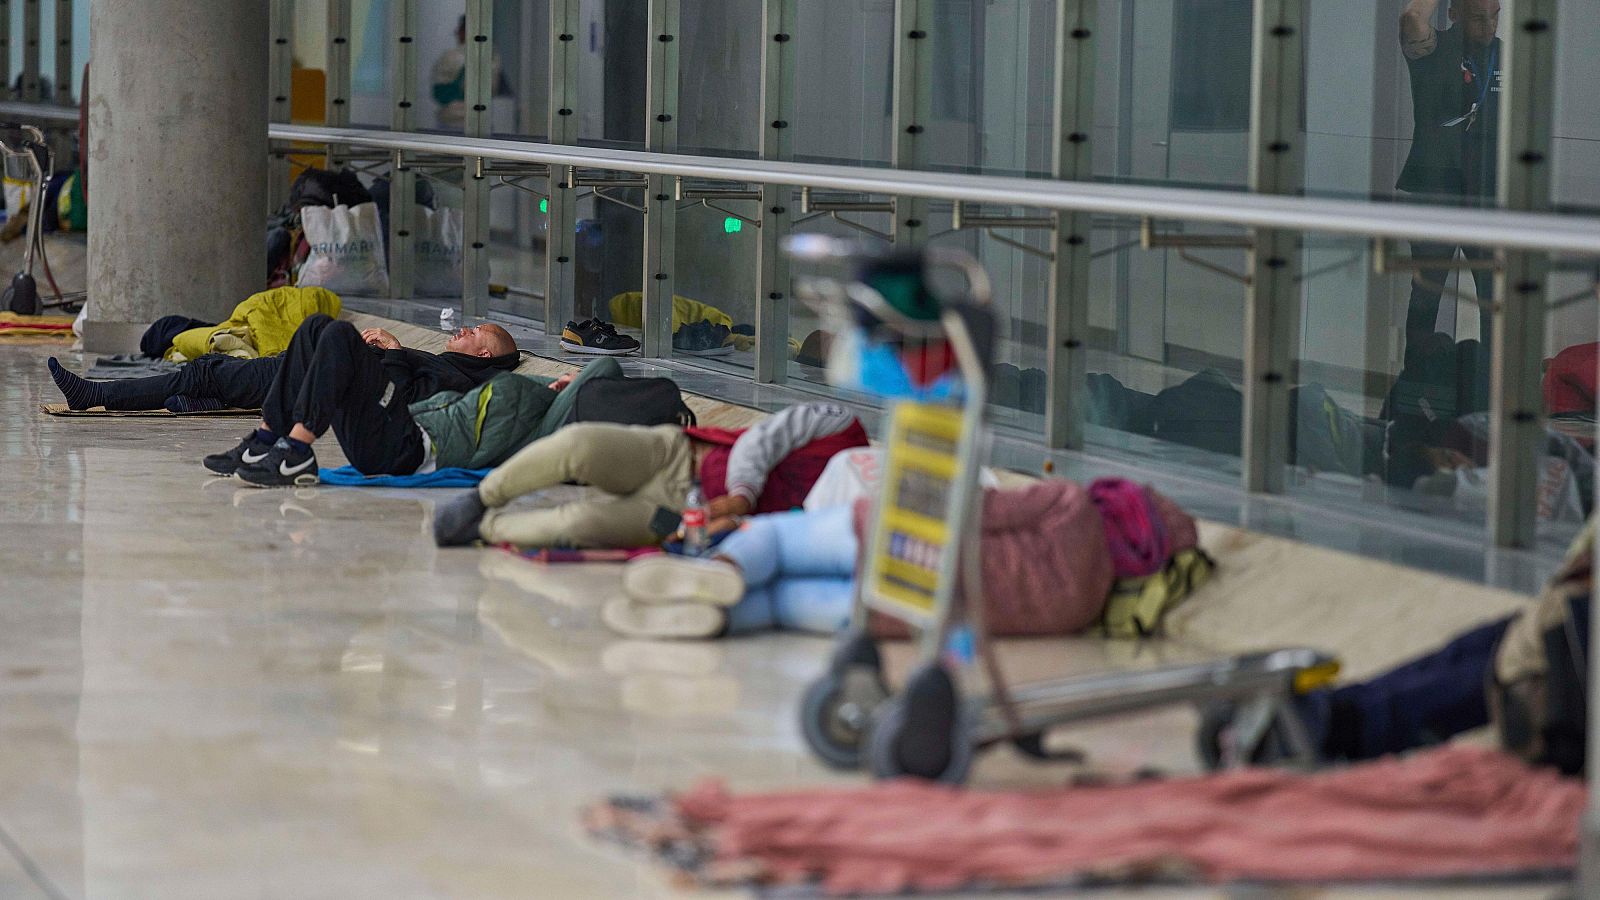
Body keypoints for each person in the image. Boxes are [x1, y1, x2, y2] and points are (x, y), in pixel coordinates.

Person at [431, 402, 869, 550]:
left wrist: (727, 530)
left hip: (679, 517)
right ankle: (482, 498)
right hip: (675, 454)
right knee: (578, 445)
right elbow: (762, 441)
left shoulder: (857, 511)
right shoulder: (843, 425)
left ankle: (483, 529)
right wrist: (741, 497)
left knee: (581, 525)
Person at [202, 315, 519, 486]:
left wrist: (394, 352)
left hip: (396, 446)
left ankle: (297, 450)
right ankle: (265, 438)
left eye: (476, 331)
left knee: (339, 333)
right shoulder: (438, 362)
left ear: (484, 354)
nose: (464, 328)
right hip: (376, 424)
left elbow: (410, 406)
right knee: (317, 326)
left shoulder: (458, 380)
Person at [1395, 0, 1503, 351]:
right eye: (1477, 17)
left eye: (1495, 16)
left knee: (1493, 294)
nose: (1489, 26)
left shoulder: (1506, 57)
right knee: (1427, 292)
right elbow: (1412, 16)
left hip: (1483, 194)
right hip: (1435, 191)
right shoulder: (1434, 50)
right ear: (1454, 13)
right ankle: (1418, 380)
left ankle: (1490, 383)